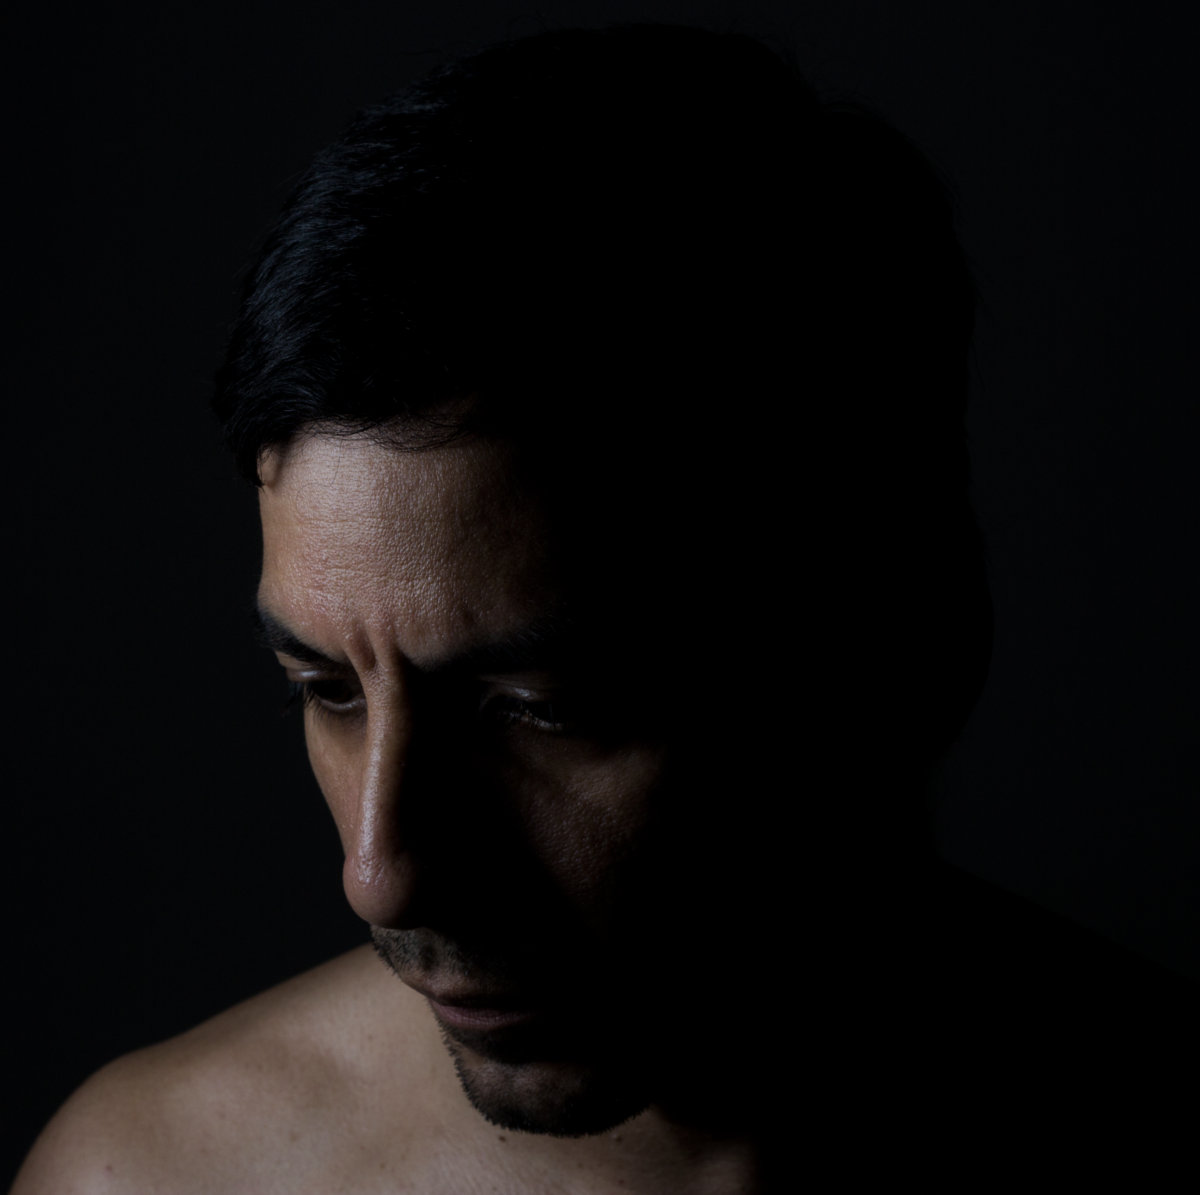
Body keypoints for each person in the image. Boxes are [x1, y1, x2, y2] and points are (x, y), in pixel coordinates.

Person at [13, 23, 1192, 1193]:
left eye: (540, 707)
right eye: (327, 691)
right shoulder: (153, 1177)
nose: (383, 875)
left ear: (907, 648)